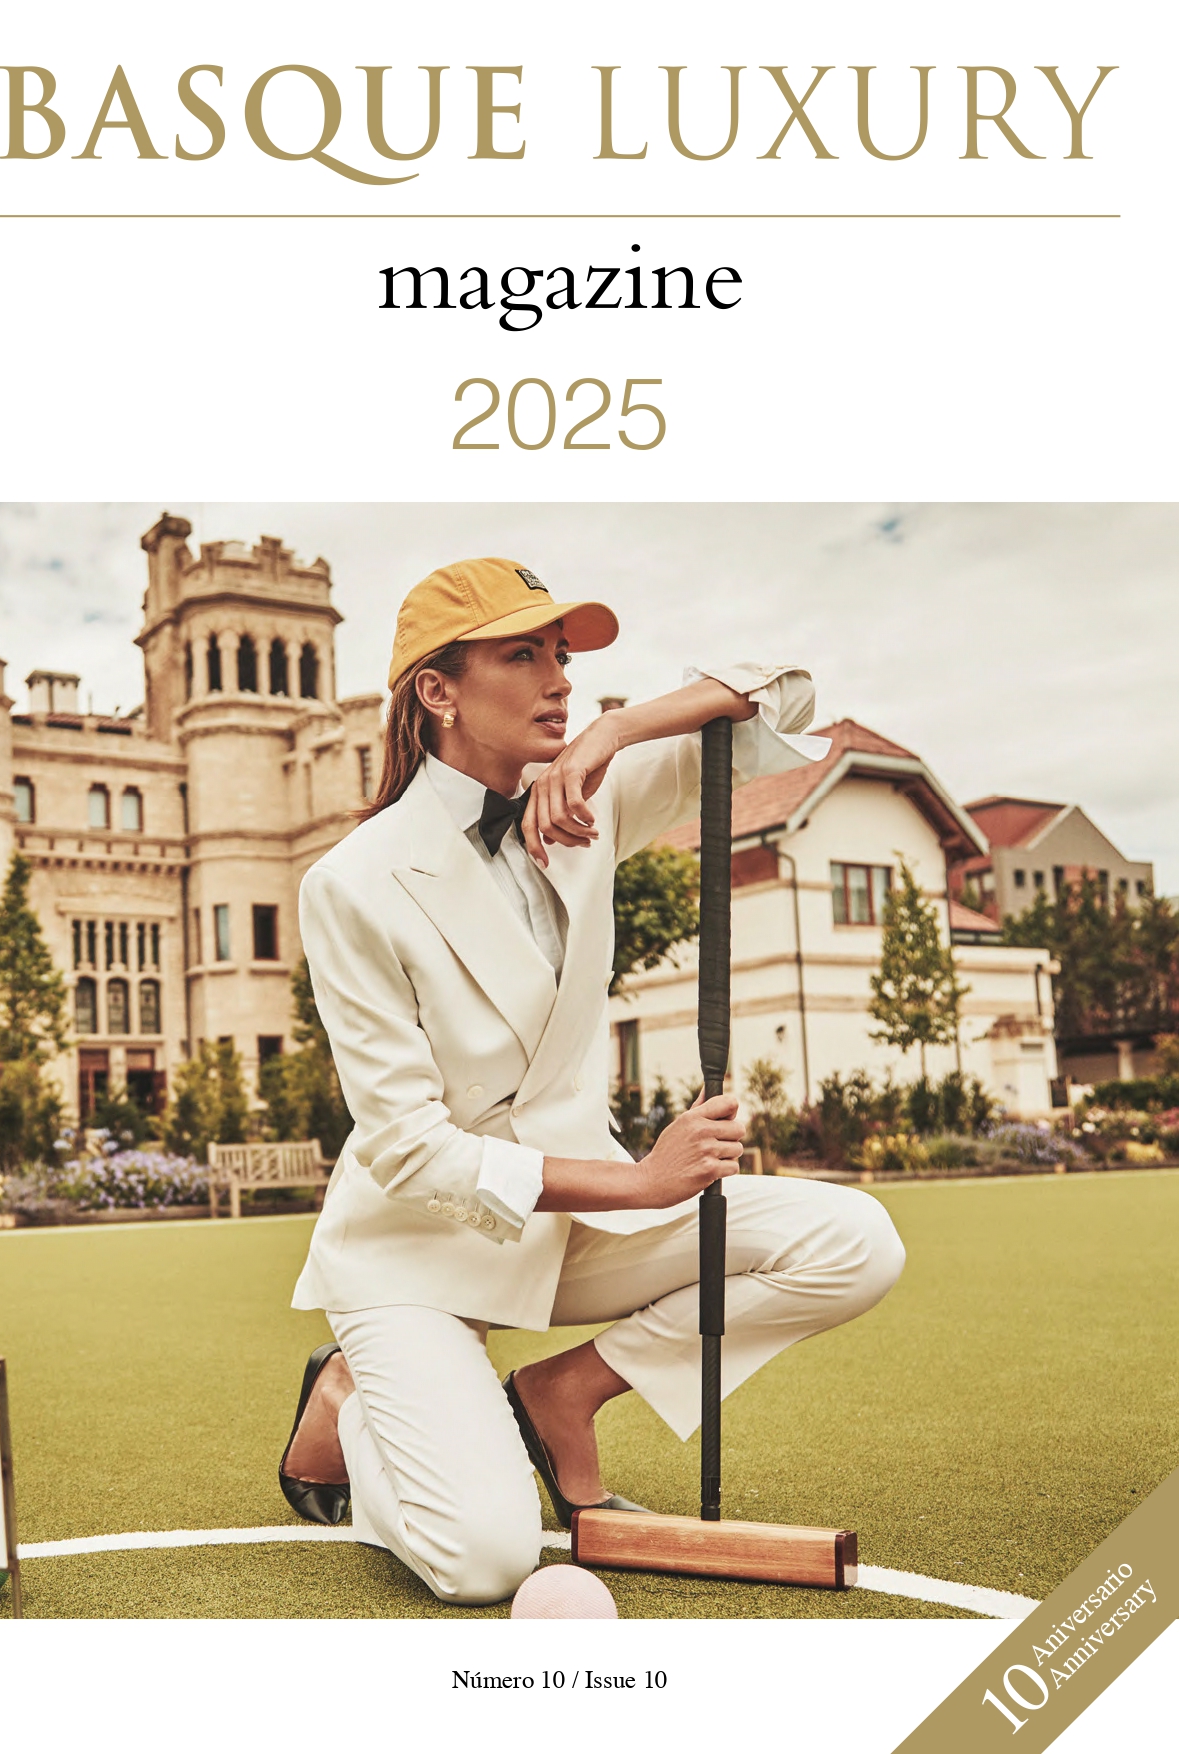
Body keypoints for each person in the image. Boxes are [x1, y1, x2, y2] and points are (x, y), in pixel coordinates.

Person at [279, 557, 905, 1605]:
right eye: (522, 655)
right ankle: (351, 1408)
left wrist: (615, 732)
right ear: (437, 690)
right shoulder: (349, 882)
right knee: (483, 1559)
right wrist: (643, 1182)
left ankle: (559, 1392)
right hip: (417, 1249)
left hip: (569, 1234)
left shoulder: (589, 795)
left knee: (855, 1242)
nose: (558, 680)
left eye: (561, 654)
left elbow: (789, 692)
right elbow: (406, 1149)